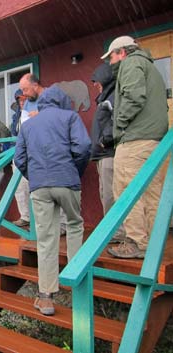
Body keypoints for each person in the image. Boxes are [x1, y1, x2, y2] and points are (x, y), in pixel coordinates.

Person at [14, 85, 91, 316]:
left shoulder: (28, 125)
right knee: (75, 225)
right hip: (67, 181)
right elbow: (84, 147)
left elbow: (19, 159)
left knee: (46, 238)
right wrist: (74, 170)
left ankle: (46, 296)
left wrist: (35, 176)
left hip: (39, 186)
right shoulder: (70, 117)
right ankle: (75, 280)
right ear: (62, 102)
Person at [101, 36, 169, 259]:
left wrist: (118, 125)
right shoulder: (152, 67)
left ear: (121, 52)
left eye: (111, 56)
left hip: (135, 140)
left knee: (126, 191)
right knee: (152, 193)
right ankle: (154, 242)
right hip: (155, 141)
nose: (110, 62)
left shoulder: (131, 63)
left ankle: (136, 242)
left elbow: (133, 97)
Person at [19, 73, 69, 235]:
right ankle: (51, 226)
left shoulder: (54, 95)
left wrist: (40, 116)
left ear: (35, 85)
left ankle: (65, 225)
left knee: (60, 187)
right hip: (37, 152)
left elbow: (65, 116)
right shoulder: (28, 103)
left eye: (26, 89)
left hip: (56, 150)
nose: (24, 93)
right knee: (44, 192)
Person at [89, 63, 125, 243]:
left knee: (111, 193)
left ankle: (117, 233)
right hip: (102, 155)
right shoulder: (104, 97)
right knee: (105, 193)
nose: (95, 84)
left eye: (96, 81)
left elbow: (117, 120)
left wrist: (104, 141)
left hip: (109, 153)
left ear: (104, 78)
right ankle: (111, 230)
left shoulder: (112, 96)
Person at [10, 89, 31, 227]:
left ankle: (37, 219)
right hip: (18, 156)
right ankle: (25, 216)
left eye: (25, 99)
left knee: (35, 188)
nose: (22, 102)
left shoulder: (35, 113)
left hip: (32, 156)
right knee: (19, 188)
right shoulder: (16, 117)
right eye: (20, 100)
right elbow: (13, 135)